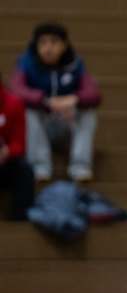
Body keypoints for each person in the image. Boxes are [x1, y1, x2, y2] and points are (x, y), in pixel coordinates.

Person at [10, 22, 102, 182]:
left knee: (88, 113)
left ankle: (80, 167)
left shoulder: (75, 64)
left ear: (64, 45)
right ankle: (39, 167)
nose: (48, 48)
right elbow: (16, 90)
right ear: (36, 45)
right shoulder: (26, 64)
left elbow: (93, 93)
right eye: (43, 43)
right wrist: (45, 101)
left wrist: (74, 99)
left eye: (54, 42)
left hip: (66, 126)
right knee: (28, 111)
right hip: (39, 128)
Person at [0, 78, 35, 220]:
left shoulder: (14, 103)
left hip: (5, 162)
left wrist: (6, 152)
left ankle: (20, 216)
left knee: (24, 170)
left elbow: (19, 143)